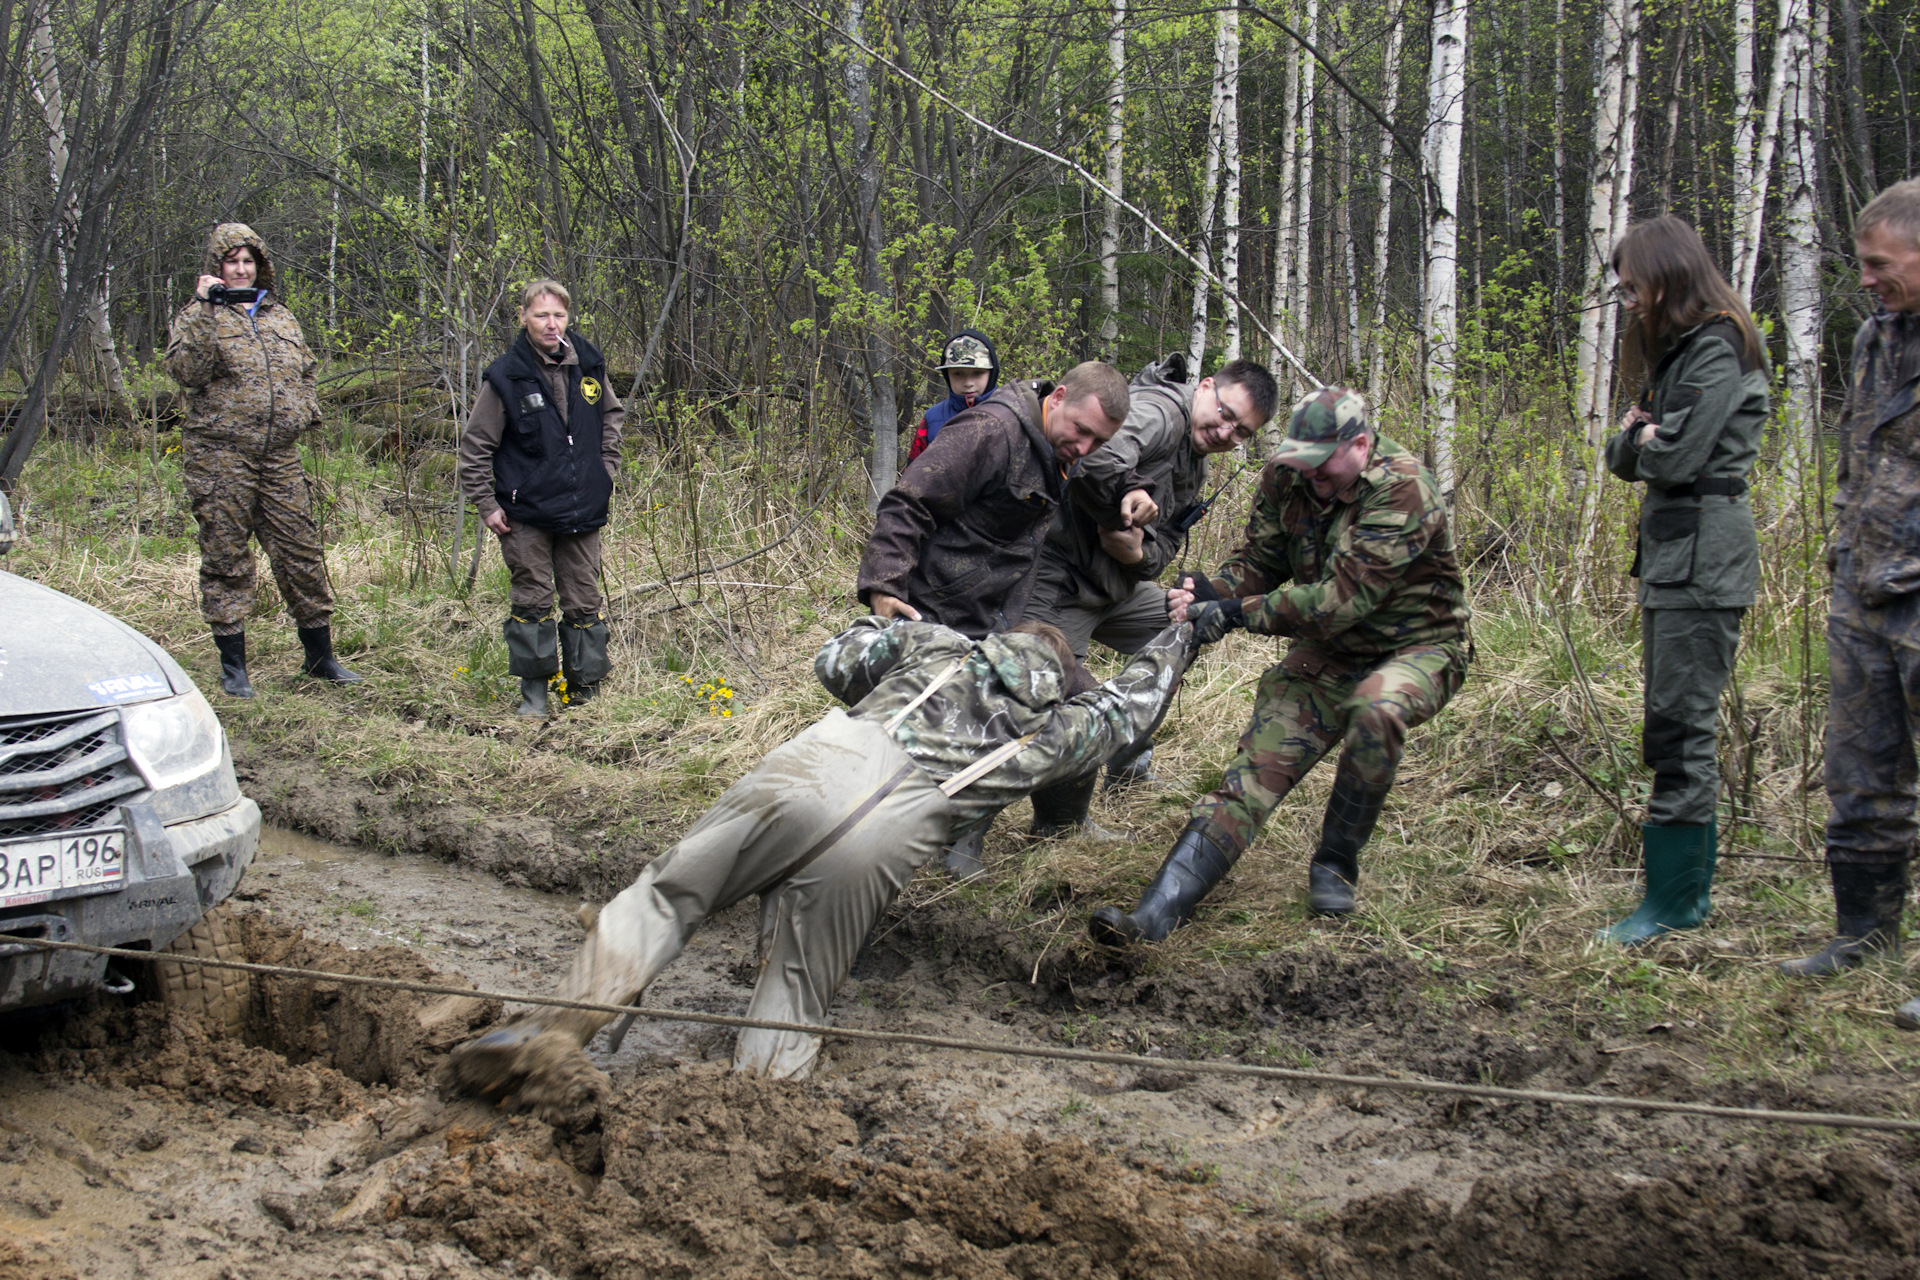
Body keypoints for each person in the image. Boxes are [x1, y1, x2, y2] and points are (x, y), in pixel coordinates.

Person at [447, 615, 1193, 1111]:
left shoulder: (938, 646)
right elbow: (1131, 709)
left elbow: (835, 661)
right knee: (797, 987)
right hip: (888, 836)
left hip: (811, 766)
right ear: (1059, 682)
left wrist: (883, 623)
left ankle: (549, 1031)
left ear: (995, 641)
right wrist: (1182, 635)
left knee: (666, 897)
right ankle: (755, 1114)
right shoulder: (1056, 731)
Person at [1087, 386, 1470, 947]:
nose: (1309, 477)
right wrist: (1207, 592)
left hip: (1418, 647)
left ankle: (1336, 863)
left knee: (1376, 707)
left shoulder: (1403, 488)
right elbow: (1260, 563)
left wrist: (1234, 613)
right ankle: (1152, 919)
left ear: (1360, 446)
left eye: (1322, 467)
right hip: (1329, 655)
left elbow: (1341, 603)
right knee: (1250, 777)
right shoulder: (1287, 475)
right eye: (1301, 464)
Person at [1593, 217, 1768, 945]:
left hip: (1704, 560)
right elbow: (1624, 452)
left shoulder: (1716, 348)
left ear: (1667, 275)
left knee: (1681, 727)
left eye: (1634, 286)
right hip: (1676, 557)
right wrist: (1638, 437)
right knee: (1670, 724)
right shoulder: (1682, 355)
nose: (1629, 301)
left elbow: (1672, 459)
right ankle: (1673, 894)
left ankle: (1676, 902)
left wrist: (1642, 438)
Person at [1020, 354, 1277, 838]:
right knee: (1054, 695)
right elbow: (1094, 455)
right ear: (1204, 388)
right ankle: (1044, 824)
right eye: (1225, 414)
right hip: (1059, 581)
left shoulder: (1195, 464)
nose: (1227, 433)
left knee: (1183, 622)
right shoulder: (1162, 411)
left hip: (1113, 587)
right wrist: (1126, 502)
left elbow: (1162, 554)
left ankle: (1128, 760)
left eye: (1241, 432)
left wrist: (1137, 552)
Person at [1779, 178, 1920, 1030]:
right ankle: (1864, 931)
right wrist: (1844, 550)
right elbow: (1856, 459)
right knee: (1861, 776)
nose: (1866, 278)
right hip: (1865, 590)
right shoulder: (1876, 338)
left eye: (1880, 264)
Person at [165, 223, 359, 697]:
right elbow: (186, 372)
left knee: (301, 554)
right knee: (226, 556)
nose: (240, 268)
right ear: (216, 267)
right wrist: (207, 310)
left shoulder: (280, 316)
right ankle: (235, 667)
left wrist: (304, 410)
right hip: (220, 455)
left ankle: (320, 658)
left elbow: (308, 369)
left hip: (279, 457)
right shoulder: (197, 316)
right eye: (231, 261)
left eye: (247, 260)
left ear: (260, 265)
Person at [857, 361, 1130, 640]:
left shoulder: (1063, 443)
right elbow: (909, 503)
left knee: (1064, 679)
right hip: (933, 616)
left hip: (993, 620)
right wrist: (884, 586)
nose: (1084, 448)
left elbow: (1106, 466)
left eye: (1098, 440)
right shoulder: (991, 430)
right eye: (1081, 430)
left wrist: (1135, 488)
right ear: (1058, 397)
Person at [458, 280, 626, 717]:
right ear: (523, 318)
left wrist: (605, 471)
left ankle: (584, 690)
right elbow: (476, 446)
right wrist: (486, 503)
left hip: (582, 506)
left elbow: (611, 417)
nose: (551, 325)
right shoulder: (505, 375)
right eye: (541, 316)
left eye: (558, 316)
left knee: (584, 600)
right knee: (531, 599)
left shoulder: (589, 364)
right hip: (526, 511)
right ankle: (534, 694)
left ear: (568, 318)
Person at [906, 330, 999, 464]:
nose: (968, 383)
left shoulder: (1010, 415)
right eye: (958, 374)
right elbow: (912, 476)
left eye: (977, 373)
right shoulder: (932, 419)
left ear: (992, 373)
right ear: (947, 375)